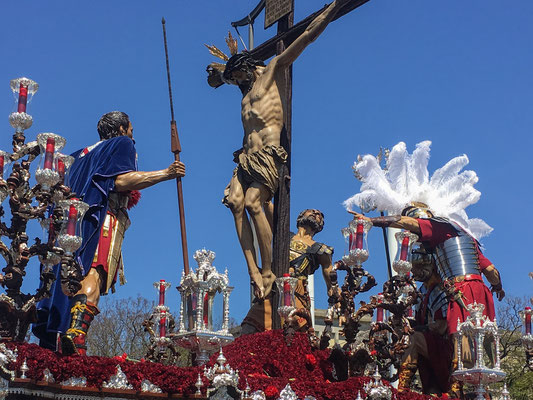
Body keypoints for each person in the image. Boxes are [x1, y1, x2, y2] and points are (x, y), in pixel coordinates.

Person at [207, 0, 349, 300]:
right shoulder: (244, 92)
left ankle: (270, 267)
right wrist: (218, 72)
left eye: (239, 77)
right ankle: (252, 268)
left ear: (248, 69)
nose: (237, 83)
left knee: (254, 202)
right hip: (245, 156)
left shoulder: (270, 71)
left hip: (268, 154)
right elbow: (219, 76)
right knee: (235, 202)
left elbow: (306, 36)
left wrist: (333, 9)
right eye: (234, 80)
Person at [34, 111, 185, 355]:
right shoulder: (122, 144)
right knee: (94, 271)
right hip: (99, 218)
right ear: (123, 128)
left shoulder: (77, 155)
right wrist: (166, 174)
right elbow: (120, 181)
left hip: (67, 227)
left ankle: (61, 335)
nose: (132, 136)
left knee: (68, 277)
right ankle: (77, 334)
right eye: (132, 130)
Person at [349, 203, 504, 336]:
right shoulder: (466, 238)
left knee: (460, 336)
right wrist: (497, 286)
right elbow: (491, 270)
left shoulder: (437, 226)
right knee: (482, 337)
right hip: (482, 292)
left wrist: (370, 221)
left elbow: (404, 221)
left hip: (460, 290)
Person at [242, 209, 337, 333]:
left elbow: (329, 272)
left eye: (320, 215)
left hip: (296, 293)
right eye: (311, 211)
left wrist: (334, 290)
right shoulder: (284, 236)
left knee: (296, 335)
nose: (316, 214)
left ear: (320, 226)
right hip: (273, 289)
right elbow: (272, 214)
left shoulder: (321, 250)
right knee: (249, 328)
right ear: (300, 217)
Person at [398, 245, 453, 395]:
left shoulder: (441, 289)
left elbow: (442, 326)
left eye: (417, 267)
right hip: (430, 342)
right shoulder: (421, 291)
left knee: (413, 339)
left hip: (445, 345)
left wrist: (418, 330)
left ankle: (402, 389)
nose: (414, 272)